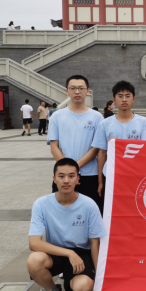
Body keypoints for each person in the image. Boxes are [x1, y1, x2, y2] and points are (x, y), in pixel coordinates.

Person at [27, 158, 106, 291]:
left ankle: (75, 280)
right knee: (34, 260)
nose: (66, 180)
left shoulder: (89, 205)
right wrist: (69, 253)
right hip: (55, 251)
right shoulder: (41, 204)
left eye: (71, 176)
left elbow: (94, 243)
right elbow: (34, 243)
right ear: (54, 179)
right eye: (61, 176)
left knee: (81, 289)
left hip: (81, 253)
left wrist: (98, 281)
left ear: (78, 179)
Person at [48, 75, 104, 212]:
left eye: (81, 88)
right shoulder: (57, 116)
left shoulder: (97, 117)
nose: (77, 91)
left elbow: (96, 148)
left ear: (87, 91)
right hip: (63, 176)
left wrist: (75, 167)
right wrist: (68, 170)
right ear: (67, 91)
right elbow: (54, 146)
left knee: (91, 213)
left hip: (90, 175)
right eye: (73, 88)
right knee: (62, 212)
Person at [93, 81, 146, 208]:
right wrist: (100, 181)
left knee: (134, 209)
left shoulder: (143, 122)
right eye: (120, 96)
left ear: (133, 98)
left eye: (127, 96)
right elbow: (102, 153)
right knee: (112, 210)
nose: (124, 99)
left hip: (135, 175)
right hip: (110, 175)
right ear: (114, 99)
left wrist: (119, 143)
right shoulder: (105, 124)